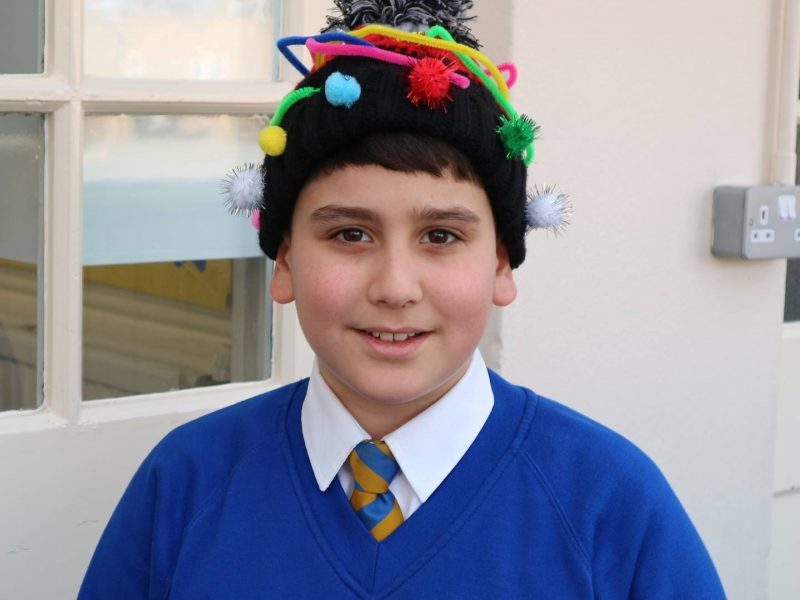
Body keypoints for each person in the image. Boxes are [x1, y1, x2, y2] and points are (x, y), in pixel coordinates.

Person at [78, 2, 726, 598]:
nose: (394, 287)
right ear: (285, 262)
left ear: (502, 263)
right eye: (349, 234)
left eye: (440, 236)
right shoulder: (185, 484)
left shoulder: (611, 503)